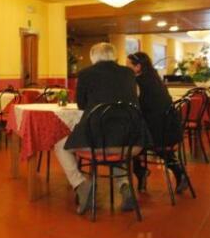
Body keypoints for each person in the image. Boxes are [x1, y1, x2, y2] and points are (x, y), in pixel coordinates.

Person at [55, 42, 146, 215]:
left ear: (93, 57)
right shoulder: (129, 73)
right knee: (115, 140)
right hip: (133, 143)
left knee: (60, 146)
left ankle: (81, 185)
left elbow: (81, 105)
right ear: (114, 56)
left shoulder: (86, 74)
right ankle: (125, 186)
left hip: (100, 143)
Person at [126, 51, 188, 193]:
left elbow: (136, 105)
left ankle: (141, 172)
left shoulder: (138, 82)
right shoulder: (154, 78)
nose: (125, 67)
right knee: (137, 138)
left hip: (159, 130)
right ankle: (178, 171)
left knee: (131, 141)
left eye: (128, 65)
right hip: (170, 126)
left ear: (138, 67)